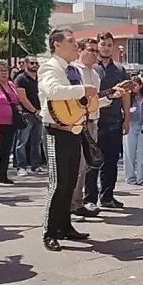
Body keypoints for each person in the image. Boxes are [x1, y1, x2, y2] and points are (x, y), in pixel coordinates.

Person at [37, 29, 99, 252]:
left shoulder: (73, 70)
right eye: (71, 41)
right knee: (57, 183)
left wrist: (104, 98)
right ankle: (49, 231)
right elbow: (53, 91)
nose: (76, 45)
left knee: (70, 181)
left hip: (74, 129)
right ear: (56, 44)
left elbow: (78, 103)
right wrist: (83, 89)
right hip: (55, 130)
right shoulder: (49, 67)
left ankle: (64, 226)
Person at [84, 32, 130, 209]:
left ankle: (107, 197)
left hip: (114, 121)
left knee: (111, 161)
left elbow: (126, 94)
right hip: (94, 121)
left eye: (110, 45)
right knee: (92, 161)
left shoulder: (119, 69)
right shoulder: (91, 68)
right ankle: (89, 199)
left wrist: (127, 118)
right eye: (103, 45)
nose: (106, 48)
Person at [71, 38, 113, 218]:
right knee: (76, 164)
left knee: (86, 165)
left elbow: (94, 102)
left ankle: (78, 202)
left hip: (92, 121)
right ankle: (72, 203)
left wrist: (111, 97)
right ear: (80, 50)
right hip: (77, 122)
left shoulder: (95, 74)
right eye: (91, 50)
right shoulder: (73, 71)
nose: (95, 53)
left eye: (97, 50)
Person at [13, 55, 44, 176]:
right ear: (26, 64)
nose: (35, 65)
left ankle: (36, 165)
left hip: (40, 114)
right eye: (32, 63)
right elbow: (22, 98)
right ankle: (21, 167)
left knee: (37, 142)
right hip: (27, 114)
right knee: (22, 142)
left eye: (36, 63)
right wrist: (35, 111)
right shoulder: (20, 78)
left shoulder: (40, 78)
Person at [124, 76, 143, 185]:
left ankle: (142, 178)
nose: (133, 88)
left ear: (140, 86)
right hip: (131, 125)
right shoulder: (128, 98)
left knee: (142, 153)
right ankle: (130, 177)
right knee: (129, 153)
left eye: (135, 85)